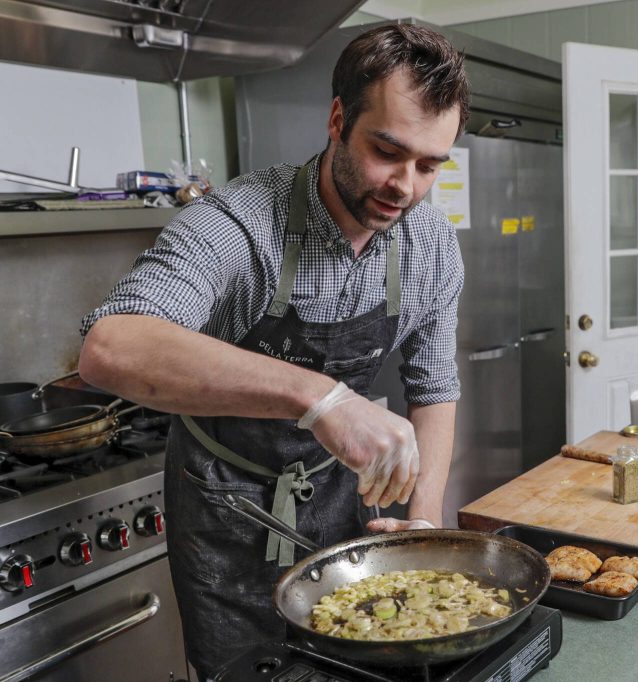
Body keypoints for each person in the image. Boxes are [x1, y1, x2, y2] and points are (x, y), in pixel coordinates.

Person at [78, 24, 469, 677]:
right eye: (387, 152)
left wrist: (424, 519)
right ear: (338, 118)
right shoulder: (238, 224)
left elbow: (434, 386)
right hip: (225, 507)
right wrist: (320, 396)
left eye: (429, 165)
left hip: (341, 499)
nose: (406, 186)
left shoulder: (430, 245)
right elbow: (110, 346)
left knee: (350, 663)